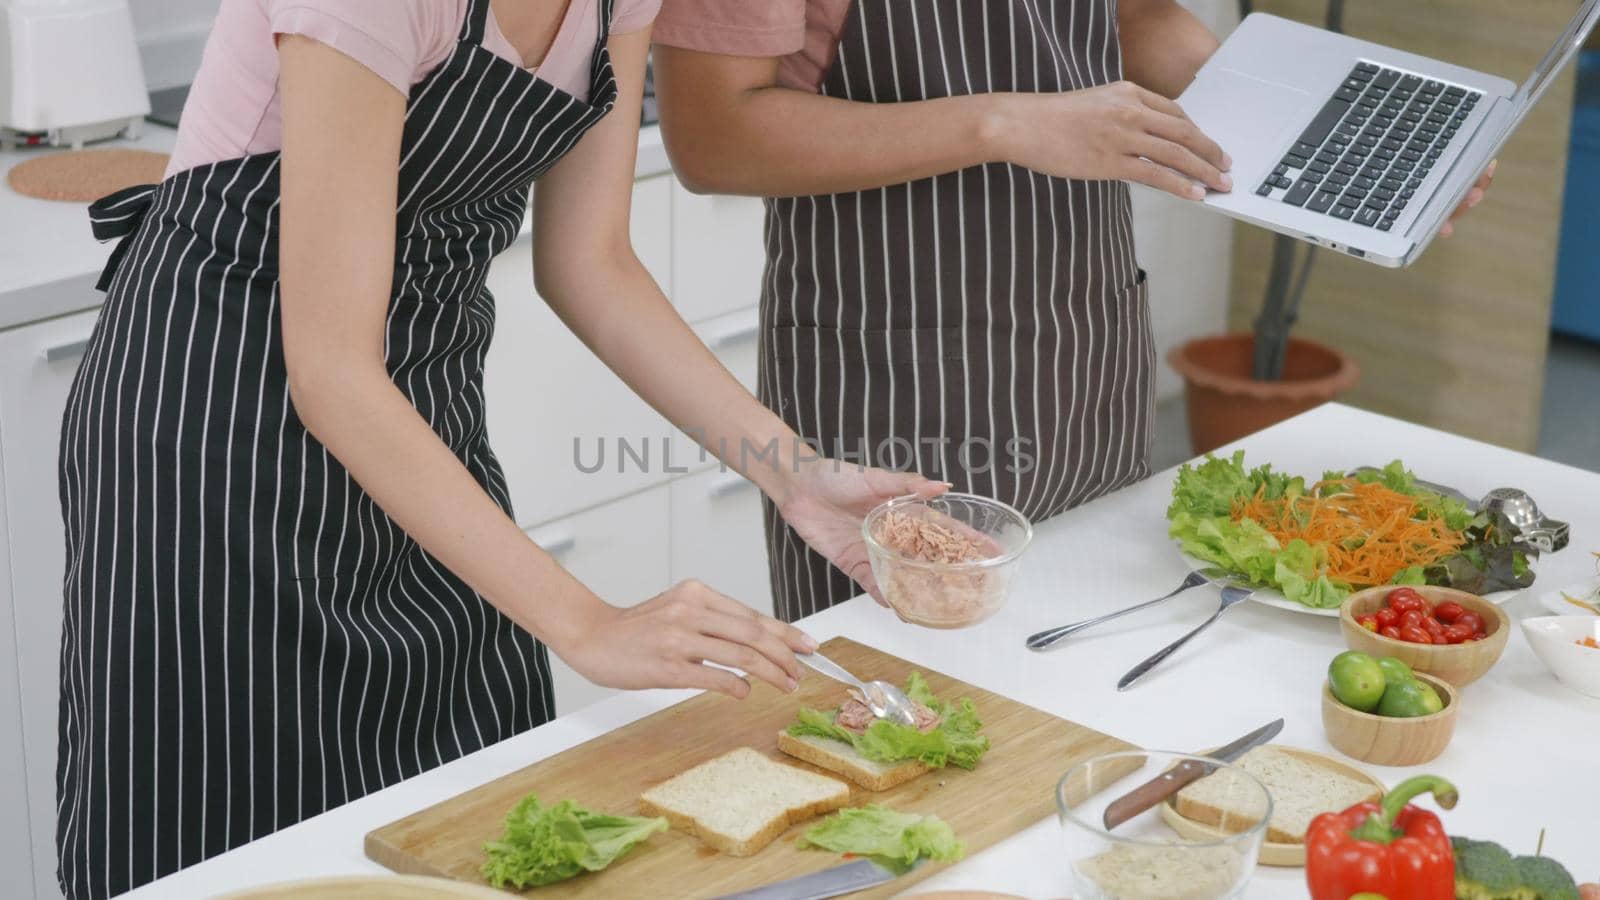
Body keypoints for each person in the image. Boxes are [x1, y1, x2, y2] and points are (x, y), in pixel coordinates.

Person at [55, 1, 935, 896]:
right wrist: (587, 623)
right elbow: (327, 371)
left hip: (419, 420)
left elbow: (589, 262)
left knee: (470, 820)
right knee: (224, 834)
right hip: (211, 433)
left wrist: (796, 477)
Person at [651, 0, 1496, 621]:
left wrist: (1314, 131)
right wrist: (1002, 123)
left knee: (1098, 658)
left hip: (1085, 349)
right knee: (912, 722)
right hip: (898, 377)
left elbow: (1133, 17)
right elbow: (713, 137)